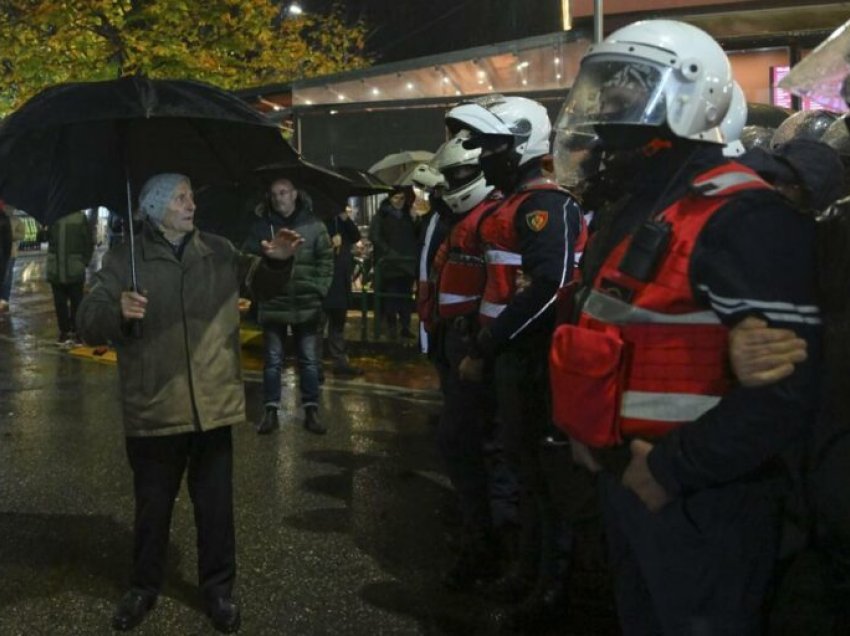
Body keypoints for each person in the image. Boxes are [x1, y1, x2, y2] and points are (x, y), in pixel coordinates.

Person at [549, 19, 820, 635]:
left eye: (629, 92)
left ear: (694, 99)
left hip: (702, 497)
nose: (608, 111)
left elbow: (785, 389)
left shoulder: (742, 214)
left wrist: (672, 470)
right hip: (633, 483)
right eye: (603, 92)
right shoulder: (645, 204)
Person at [76, 173, 303, 633]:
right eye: (180, 198)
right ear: (156, 207)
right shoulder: (125, 259)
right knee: (152, 507)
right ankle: (143, 587)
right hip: (154, 406)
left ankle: (218, 590)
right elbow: (87, 321)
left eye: (190, 196)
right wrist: (115, 312)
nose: (191, 204)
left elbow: (259, 283)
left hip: (212, 404)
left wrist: (277, 263)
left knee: (216, 508)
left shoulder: (217, 250)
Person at [446, 94, 588, 630]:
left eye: (493, 145)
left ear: (522, 143)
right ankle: (528, 570)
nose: (483, 155)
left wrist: (487, 345)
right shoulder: (513, 204)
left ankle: (552, 582)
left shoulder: (546, 206)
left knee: (544, 477)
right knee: (524, 471)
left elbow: (548, 286)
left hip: (534, 359)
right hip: (511, 356)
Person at [243, 177, 333, 435]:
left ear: (295, 194)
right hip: (273, 302)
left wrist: (319, 289)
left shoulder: (314, 226)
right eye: (274, 194)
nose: (279, 198)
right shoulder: (263, 227)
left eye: (284, 192)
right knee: (272, 361)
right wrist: (265, 257)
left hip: (306, 302)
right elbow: (247, 260)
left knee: (309, 360)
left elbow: (326, 260)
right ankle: (270, 411)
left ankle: (311, 410)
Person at [368, 186, 419, 339]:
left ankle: (405, 326)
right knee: (391, 297)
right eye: (396, 198)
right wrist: (389, 253)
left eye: (402, 198)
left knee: (405, 297)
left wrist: (416, 220)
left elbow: (417, 235)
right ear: (390, 199)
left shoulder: (408, 215)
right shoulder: (381, 216)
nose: (399, 202)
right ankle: (392, 327)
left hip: (406, 263)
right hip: (389, 264)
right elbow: (375, 237)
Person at [320, 204, 363, 377]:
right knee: (318, 325)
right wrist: (330, 245)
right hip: (324, 280)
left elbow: (355, 236)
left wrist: (345, 219)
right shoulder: (318, 222)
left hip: (340, 279)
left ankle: (340, 361)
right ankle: (313, 364)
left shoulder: (340, 220)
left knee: (337, 324)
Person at [47, 210, 94, 344]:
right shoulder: (52, 217)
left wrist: (84, 261)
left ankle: (76, 330)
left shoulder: (80, 218)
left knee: (77, 302)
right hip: (56, 269)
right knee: (60, 303)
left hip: (74, 268)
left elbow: (88, 242)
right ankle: (65, 331)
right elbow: (43, 238)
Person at [0, 203, 26, 312]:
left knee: (7, 276)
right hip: (2, 251)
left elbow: (22, 234)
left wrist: (9, 234)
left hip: (11, 252)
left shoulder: (16, 220)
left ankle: (4, 298)